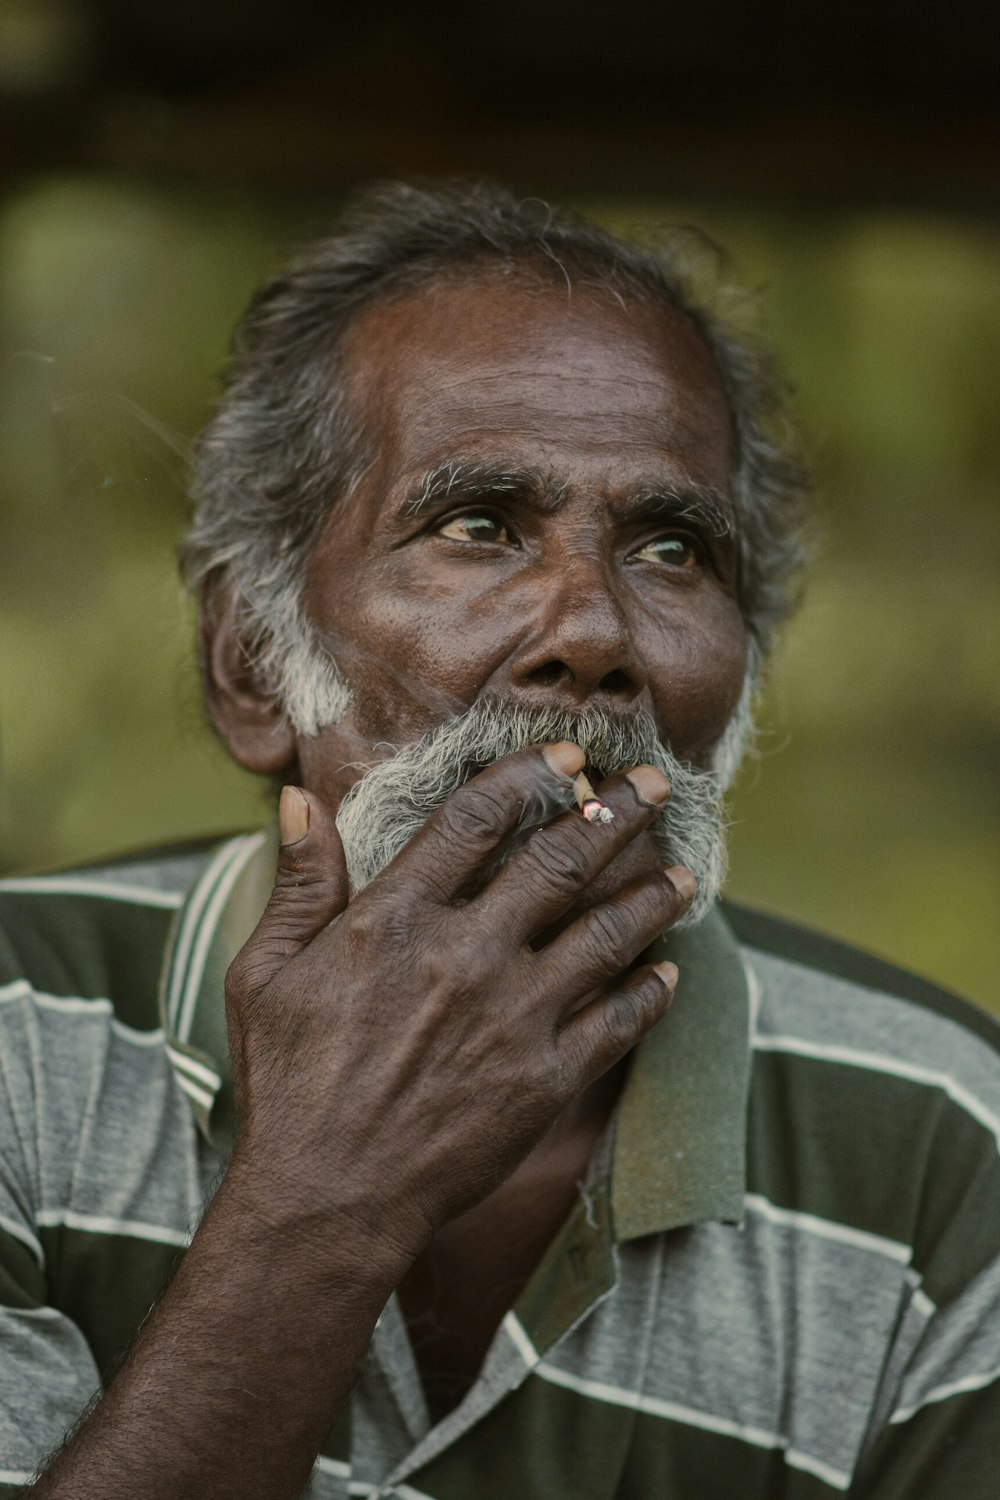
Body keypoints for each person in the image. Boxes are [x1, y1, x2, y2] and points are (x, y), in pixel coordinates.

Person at [0, 181, 997, 1500]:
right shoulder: (18, 1042)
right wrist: (326, 1201)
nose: (593, 632)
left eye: (671, 547)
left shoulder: (944, 1155)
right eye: (478, 527)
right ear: (248, 662)